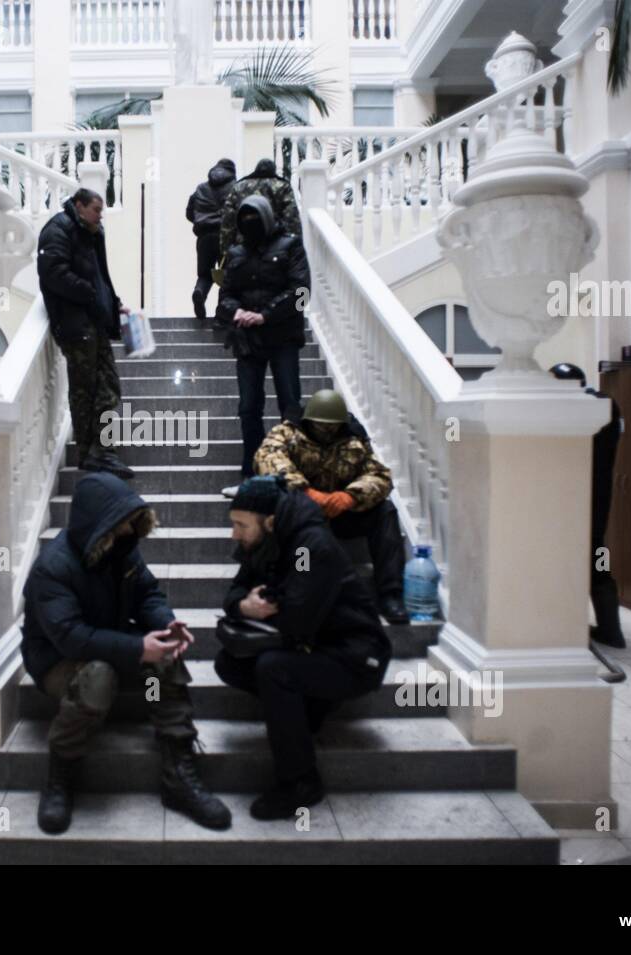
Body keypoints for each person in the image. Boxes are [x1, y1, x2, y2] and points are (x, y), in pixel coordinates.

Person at [21, 471, 232, 834]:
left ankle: (177, 771)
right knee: (99, 677)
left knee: (163, 656)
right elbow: (71, 637)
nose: (129, 531)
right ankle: (61, 775)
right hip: (59, 658)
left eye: (131, 523)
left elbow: (147, 593)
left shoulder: (120, 547)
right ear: (97, 524)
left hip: (107, 635)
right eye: (120, 524)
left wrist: (166, 626)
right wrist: (137, 647)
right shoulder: (52, 569)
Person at [215, 476, 392, 820]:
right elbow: (234, 594)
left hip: (356, 656)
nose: (235, 534)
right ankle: (310, 709)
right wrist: (244, 607)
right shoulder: (265, 541)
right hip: (317, 646)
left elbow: (296, 622)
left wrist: (270, 600)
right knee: (229, 662)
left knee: (273, 668)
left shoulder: (308, 549)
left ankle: (300, 782)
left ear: (269, 520)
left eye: (240, 525)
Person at [254, 390, 409, 624]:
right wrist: (305, 492)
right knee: (276, 515)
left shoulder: (354, 439)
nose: (327, 431)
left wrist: (351, 497)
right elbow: (266, 458)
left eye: (332, 426)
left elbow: (380, 475)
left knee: (385, 511)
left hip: (340, 514)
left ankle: (390, 594)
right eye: (321, 426)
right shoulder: (286, 432)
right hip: (301, 515)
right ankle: (290, 590)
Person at [36, 187, 134, 480]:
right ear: (79, 206)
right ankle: (93, 453)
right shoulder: (58, 230)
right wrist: (90, 294)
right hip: (76, 325)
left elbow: (99, 275)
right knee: (86, 390)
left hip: (94, 322)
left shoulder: (89, 231)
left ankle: (101, 452)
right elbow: (53, 273)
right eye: (96, 209)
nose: (100, 215)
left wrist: (111, 304)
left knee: (107, 387)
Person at [216, 194, 309, 487]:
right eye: (244, 220)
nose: (249, 225)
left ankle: (289, 469)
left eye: (254, 219)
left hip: (282, 337)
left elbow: (302, 294)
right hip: (248, 340)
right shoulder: (235, 253)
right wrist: (237, 311)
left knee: (290, 404)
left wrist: (265, 315)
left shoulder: (291, 245)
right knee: (249, 406)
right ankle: (252, 472)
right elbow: (224, 297)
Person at [551, 362, 626, 649]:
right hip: (595, 502)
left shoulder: (592, 408)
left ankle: (577, 630)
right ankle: (610, 629)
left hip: (578, 502)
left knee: (584, 562)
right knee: (597, 560)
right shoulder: (606, 406)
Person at [218, 157, 303, 260]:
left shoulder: (239, 187)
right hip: (275, 248)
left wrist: (225, 249)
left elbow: (228, 220)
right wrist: (294, 246)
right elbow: (291, 218)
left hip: (243, 246)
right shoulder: (283, 186)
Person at [185, 158, 237, 321]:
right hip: (226, 236)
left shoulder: (200, 188)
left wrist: (202, 221)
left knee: (205, 274)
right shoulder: (235, 187)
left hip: (204, 236)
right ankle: (222, 311)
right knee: (228, 275)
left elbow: (189, 212)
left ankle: (199, 292)